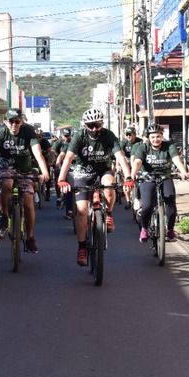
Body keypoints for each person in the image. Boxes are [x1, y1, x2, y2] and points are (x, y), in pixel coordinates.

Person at [57, 108, 133, 267]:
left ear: (102, 124)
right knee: (82, 210)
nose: (94, 129)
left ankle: (109, 214)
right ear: (85, 125)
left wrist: (128, 177)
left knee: (108, 186)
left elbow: (120, 156)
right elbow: (69, 157)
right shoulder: (79, 135)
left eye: (97, 125)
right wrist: (62, 179)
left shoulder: (108, 135)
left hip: (103, 170)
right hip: (82, 173)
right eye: (90, 125)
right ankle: (82, 246)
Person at [0, 109, 50, 254]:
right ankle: (5, 215)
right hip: (6, 167)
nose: (14, 124)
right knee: (6, 183)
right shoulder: (1, 133)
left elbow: (37, 152)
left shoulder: (28, 132)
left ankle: (30, 238)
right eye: (11, 121)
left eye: (17, 121)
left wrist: (45, 171)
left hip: (25, 170)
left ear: (21, 122)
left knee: (28, 200)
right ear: (6, 122)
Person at [131, 123, 189, 243]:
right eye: (153, 137)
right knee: (147, 206)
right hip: (148, 178)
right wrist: (133, 174)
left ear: (162, 136)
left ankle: (170, 230)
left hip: (165, 177)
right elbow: (137, 162)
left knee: (170, 203)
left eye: (158, 136)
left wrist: (183, 172)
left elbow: (175, 159)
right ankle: (144, 229)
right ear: (148, 138)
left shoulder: (169, 146)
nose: (156, 139)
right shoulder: (143, 147)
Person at [52, 126, 75, 218]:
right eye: (65, 136)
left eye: (68, 136)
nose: (66, 138)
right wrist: (56, 162)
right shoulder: (59, 143)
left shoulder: (74, 142)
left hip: (77, 167)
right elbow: (58, 154)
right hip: (63, 165)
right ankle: (60, 198)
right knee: (64, 181)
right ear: (62, 136)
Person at [119, 125, 140, 209]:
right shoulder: (123, 142)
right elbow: (119, 154)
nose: (128, 136)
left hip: (137, 161)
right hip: (127, 161)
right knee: (126, 180)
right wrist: (118, 165)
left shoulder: (139, 142)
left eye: (130, 134)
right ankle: (128, 201)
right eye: (127, 134)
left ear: (134, 135)